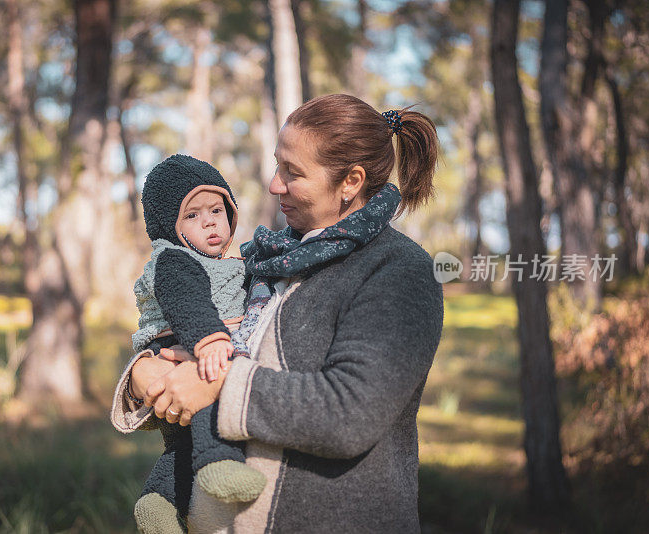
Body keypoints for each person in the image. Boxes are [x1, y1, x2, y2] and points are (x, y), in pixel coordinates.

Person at [115, 94, 445, 533]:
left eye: (293, 172)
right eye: (277, 165)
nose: (274, 184)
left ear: (351, 181)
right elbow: (200, 337)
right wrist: (143, 372)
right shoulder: (267, 258)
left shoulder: (398, 271)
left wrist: (218, 386)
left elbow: (350, 412)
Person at [111, 154, 267, 534]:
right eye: (192, 216)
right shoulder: (175, 260)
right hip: (184, 342)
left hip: (186, 344)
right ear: (169, 226)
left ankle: (158, 502)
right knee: (209, 403)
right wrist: (210, 340)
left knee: (180, 450)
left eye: (217, 209)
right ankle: (219, 466)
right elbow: (187, 301)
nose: (210, 221)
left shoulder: (227, 260)